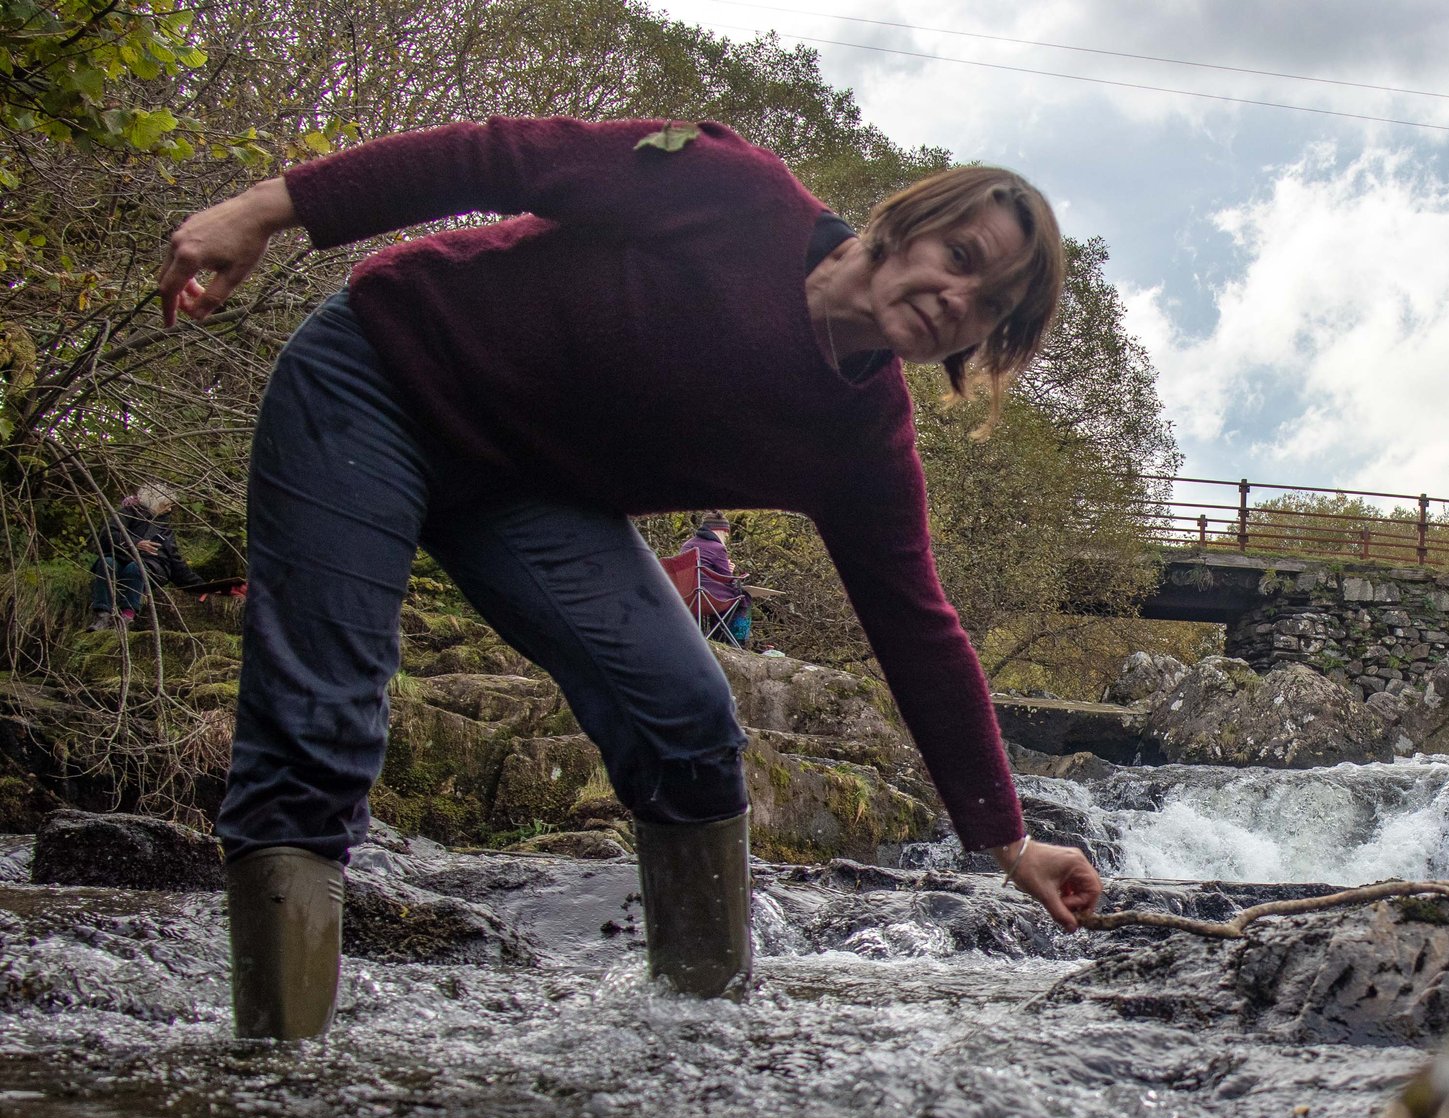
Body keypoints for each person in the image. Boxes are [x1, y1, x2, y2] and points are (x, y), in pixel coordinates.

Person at [157, 118, 1105, 1039]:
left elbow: (919, 628)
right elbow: (498, 158)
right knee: (322, 724)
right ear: (906, 223)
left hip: (526, 490)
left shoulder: (861, 439)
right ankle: (278, 1082)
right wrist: (269, 207)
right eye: (963, 255)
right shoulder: (732, 191)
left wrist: (1009, 841)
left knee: (689, 723)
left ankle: (702, 1041)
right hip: (382, 376)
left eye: (988, 308)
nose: (957, 297)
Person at [89, 483, 205, 628]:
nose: (169, 509)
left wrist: (199, 586)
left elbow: (175, 561)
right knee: (106, 563)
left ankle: (128, 614)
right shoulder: (126, 513)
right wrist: (135, 543)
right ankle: (103, 614)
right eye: (166, 504)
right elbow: (108, 535)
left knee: (135, 568)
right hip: (120, 557)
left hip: (151, 566)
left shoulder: (164, 527)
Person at [671, 513, 754, 644]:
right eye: (726, 532)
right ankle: (735, 641)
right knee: (743, 596)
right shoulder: (717, 548)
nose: (726, 536)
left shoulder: (687, 545)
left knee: (722, 594)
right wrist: (732, 573)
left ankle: (714, 637)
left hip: (686, 597)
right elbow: (727, 579)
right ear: (720, 530)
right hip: (708, 597)